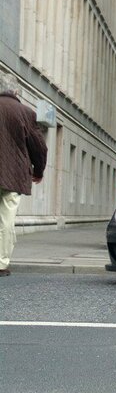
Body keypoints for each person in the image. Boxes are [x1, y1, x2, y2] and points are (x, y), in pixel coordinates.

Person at [0, 72, 48, 277]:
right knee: (6, 220)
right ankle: (1, 263)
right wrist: (38, 170)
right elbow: (39, 147)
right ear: (16, 91)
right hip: (12, 175)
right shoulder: (25, 112)